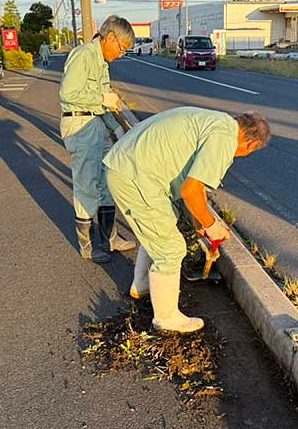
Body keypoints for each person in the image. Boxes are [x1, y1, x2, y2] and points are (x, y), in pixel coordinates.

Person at [103, 107, 271, 333]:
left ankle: (142, 287)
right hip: (136, 176)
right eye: (248, 153)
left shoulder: (217, 122)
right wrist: (212, 226)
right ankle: (166, 319)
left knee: (159, 230)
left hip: (130, 167)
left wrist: (200, 222)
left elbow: (196, 187)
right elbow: (191, 190)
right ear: (250, 144)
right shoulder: (225, 139)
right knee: (171, 248)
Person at [59, 15, 136, 263]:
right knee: (86, 184)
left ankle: (109, 238)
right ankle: (87, 244)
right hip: (80, 124)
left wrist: (116, 130)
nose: (122, 54)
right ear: (110, 38)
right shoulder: (83, 55)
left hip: (97, 124)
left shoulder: (102, 62)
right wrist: (103, 99)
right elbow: (69, 93)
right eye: (122, 48)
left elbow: (105, 105)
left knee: (106, 184)